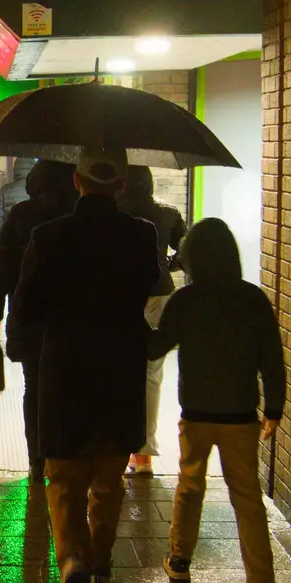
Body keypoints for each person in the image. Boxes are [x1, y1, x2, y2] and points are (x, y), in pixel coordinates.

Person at [10, 147, 159, 583]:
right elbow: (149, 289)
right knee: (108, 483)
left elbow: (28, 308)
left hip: (66, 373)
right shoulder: (142, 236)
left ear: (76, 182)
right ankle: (100, 567)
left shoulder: (48, 237)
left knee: (64, 482)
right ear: (120, 186)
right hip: (119, 372)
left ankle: (73, 560)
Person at [148, 218, 286, 583]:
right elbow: (272, 360)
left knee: (190, 485)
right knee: (247, 500)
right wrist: (274, 409)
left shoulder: (186, 300)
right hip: (241, 415)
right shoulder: (253, 299)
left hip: (197, 414)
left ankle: (180, 560)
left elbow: (155, 345)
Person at [0, 160, 78, 483]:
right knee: (69, 388)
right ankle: (64, 455)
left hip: (30, 317)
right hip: (72, 321)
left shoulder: (22, 216)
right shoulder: (79, 216)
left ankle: (37, 460)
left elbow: (3, 268)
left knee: (34, 388)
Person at [117, 166, 186, 477]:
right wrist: (166, 264)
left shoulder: (115, 214)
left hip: (121, 298)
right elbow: (187, 251)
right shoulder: (167, 214)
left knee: (118, 371)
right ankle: (143, 454)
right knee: (151, 374)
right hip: (159, 296)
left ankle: (117, 448)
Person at [0, 158, 37, 244]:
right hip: (35, 250)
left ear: (15, 169)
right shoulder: (39, 192)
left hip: (10, 250)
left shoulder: (4, 191)